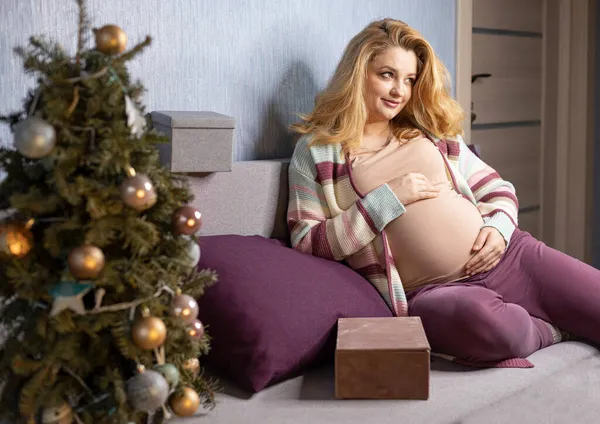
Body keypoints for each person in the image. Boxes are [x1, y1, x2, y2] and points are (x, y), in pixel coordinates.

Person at [286, 18, 600, 366]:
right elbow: (307, 240)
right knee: (495, 329)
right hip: (435, 292)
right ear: (358, 73)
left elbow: (498, 189)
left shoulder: (429, 134)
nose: (399, 92)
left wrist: (498, 229)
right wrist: (387, 199)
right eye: (387, 75)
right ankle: (551, 330)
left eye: (409, 80)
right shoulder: (317, 151)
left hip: (510, 257)